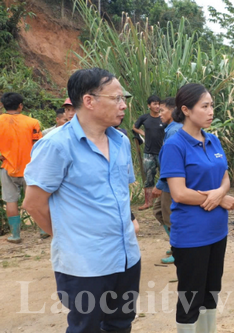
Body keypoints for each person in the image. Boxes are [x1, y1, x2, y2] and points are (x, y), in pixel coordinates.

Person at [22, 68, 141, 333]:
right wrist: (66, 237)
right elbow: (33, 203)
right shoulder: (56, 145)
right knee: (86, 327)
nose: (123, 106)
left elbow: (118, 192)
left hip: (126, 257)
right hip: (85, 264)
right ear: (89, 101)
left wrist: (129, 221)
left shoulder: (120, 141)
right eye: (117, 99)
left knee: (121, 323)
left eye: (124, 99)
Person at [159, 83, 234, 333]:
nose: (211, 110)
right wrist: (218, 199)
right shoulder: (174, 145)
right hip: (191, 235)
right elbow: (179, 193)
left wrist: (220, 193)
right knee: (190, 298)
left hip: (218, 231)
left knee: (211, 292)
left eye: (212, 105)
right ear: (186, 109)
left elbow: (225, 176)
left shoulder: (212, 140)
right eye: (204, 106)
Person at [0, 92, 43, 243]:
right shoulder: (32, 122)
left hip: (7, 167)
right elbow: (39, 145)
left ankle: (16, 235)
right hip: (30, 167)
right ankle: (43, 230)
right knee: (35, 199)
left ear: (3, 105)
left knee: (10, 201)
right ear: (20, 106)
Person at [152, 97, 182, 264]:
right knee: (159, 212)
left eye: (162, 110)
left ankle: (179, 250)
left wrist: (159, 185)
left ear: (172, 111)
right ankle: (175, 245)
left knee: (170, 217)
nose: (160, 113)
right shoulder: (172, 129)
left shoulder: (173, 131)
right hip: (168, 183)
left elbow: (171, 163)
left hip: (170, 185)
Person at [133, 95, 165, 210]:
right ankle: (148, 202)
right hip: (148, 152)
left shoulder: (163, 118)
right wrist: (142, 133)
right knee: (148, 178)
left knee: (166, 177)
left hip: (162, 153)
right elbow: (134, 127)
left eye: (158, 104)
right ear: (149, 105)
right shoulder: (144, 118)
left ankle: (165, 201)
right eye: (154, 104)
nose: (157, 106)